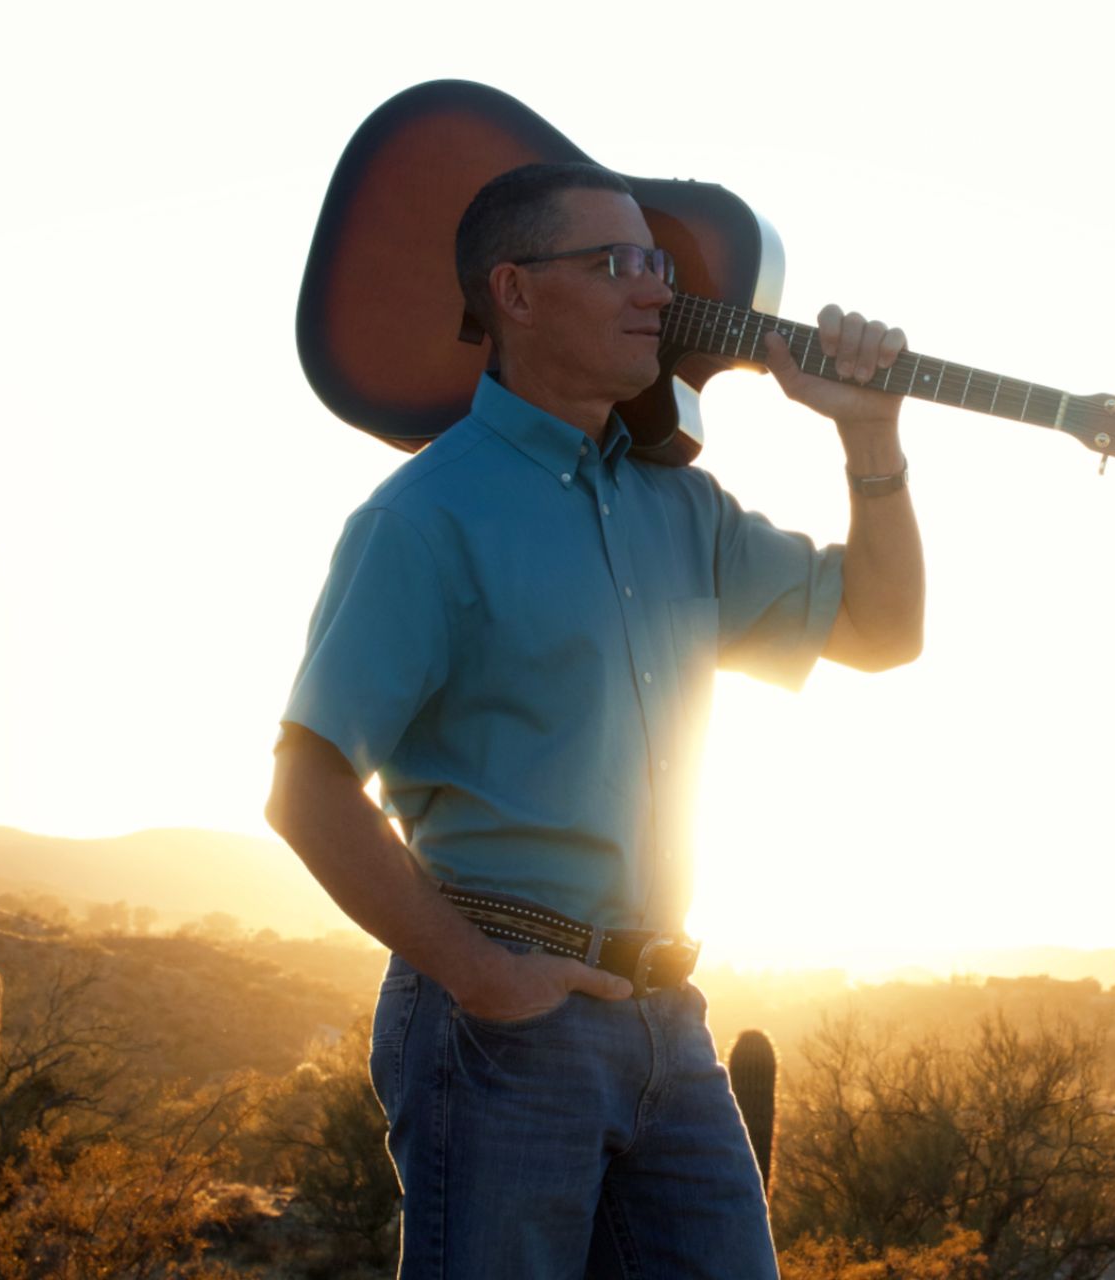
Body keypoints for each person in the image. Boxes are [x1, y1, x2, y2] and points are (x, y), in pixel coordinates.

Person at [265, 160, 924, 1278]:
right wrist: (484, 976)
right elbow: (307, 788)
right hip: (503, 1019)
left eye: (657, 262)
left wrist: (870, 439)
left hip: (669, 1017)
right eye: (616, 263)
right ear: (515, 293)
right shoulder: (425, 517)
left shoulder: (681, 506)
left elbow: (882, 628)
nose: (657, 290)